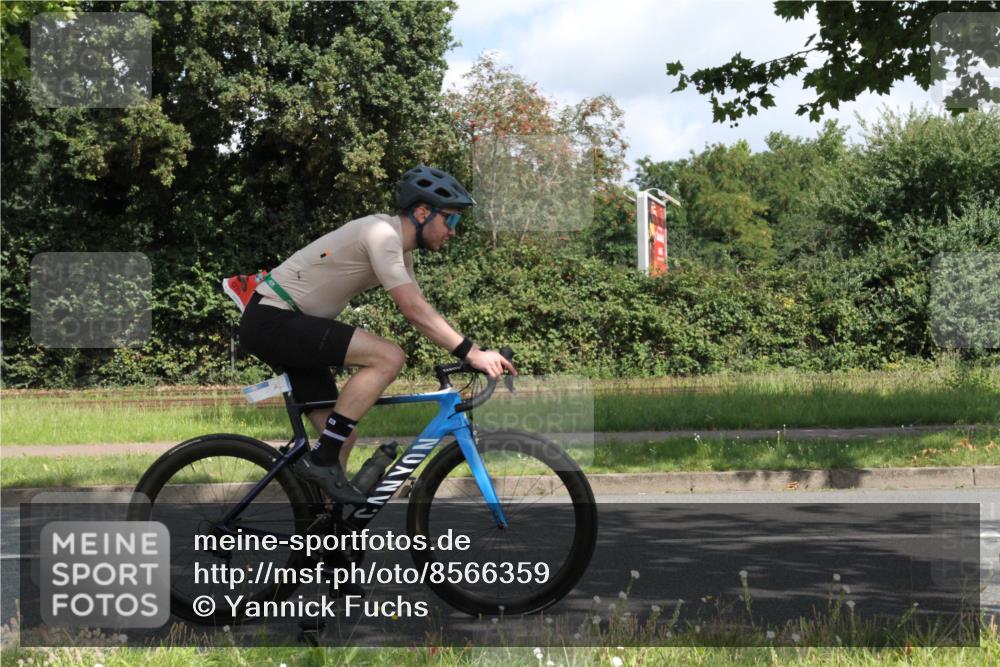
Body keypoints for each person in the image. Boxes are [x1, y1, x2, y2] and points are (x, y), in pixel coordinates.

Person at [230, 166, 517, 504]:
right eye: (451, 220)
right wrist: (471, 353)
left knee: (340, 438)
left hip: (288, 325)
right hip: (273, 320)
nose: (454, 231)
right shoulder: (382, 234)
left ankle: (323, 538)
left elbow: (422, 311)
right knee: (388, 356)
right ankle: (322, 462)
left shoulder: (399, 249)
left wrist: (475, 349)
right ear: (423, 213)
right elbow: (413, 310)